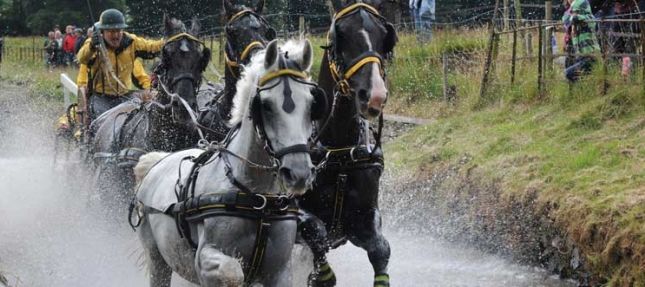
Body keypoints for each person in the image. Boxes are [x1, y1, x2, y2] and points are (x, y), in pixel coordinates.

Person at [76, 8, 163, 123]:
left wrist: (171, 39)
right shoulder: (93, 44)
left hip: (125, 96)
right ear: (102, 32)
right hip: (101, 98)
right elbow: (81, 57)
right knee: (101, 124)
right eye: (111, 31)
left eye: (118, 30)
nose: (116, 35)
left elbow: (153, 46)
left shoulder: (132, 41)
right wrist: (92, 46)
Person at [562, 0, 601, 82]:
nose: (573, 14)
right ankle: (581, 91)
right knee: (573, 76)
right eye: (573, 11)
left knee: (568, 73)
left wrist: (576, 17)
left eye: (576, 11)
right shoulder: (575, 24)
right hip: (581, 56)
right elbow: (566, 18)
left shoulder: (589, 20)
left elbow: (586, 18)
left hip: (591, 57)